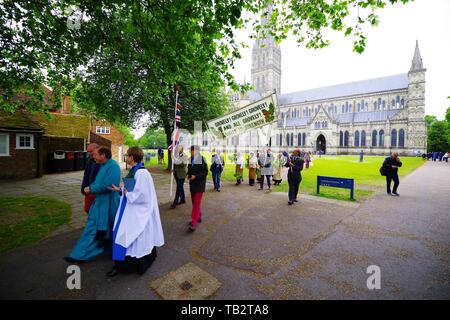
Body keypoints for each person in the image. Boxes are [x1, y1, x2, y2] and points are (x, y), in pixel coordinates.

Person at [106, 147, 164, 277]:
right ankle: (121, 263)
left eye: (127, 155)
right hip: (129, 208)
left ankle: (130, 264)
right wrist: (120, 189)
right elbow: (132, 189)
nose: (126, 157)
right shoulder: (135, 170)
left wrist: (126, 192)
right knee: (123, 232)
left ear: (132, 157)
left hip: (137, 211)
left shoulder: (141, 173)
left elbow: (141, 195)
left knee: (131, 234)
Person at [65, 147, 121, 263]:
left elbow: (108, 186)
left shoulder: (113, 166)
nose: (93, 157)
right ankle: (78, 255)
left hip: (110, 204)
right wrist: (89, 188)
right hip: (100, 203)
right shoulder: (104, 165)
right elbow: (98, 182)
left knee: (111, 229)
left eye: (95, 154)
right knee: (92, 228)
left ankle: (110, 251)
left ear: (103, 155)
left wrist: (91, 188)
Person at [187, 146, 208, 232]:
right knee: (194, 202)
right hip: (192, 184)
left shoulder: (202, 159)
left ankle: (194, 222)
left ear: (195, 151)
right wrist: (188, 175)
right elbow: (189, 170)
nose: (189, 152)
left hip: (199, 185)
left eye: (191, 150)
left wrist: (195, 176)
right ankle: (198, 216)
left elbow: (205, 172)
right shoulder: (190, 159)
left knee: (196, 203)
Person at [81, 143, 101, 213]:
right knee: (87, 209)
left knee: (95, 210)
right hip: (89, 190)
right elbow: (86, 175)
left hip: (97, 190)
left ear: (97, 150)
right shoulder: (89, 160)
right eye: (88, 152)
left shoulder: (101, 161)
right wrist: (83, 188)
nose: (89, 153)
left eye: (91, 151)